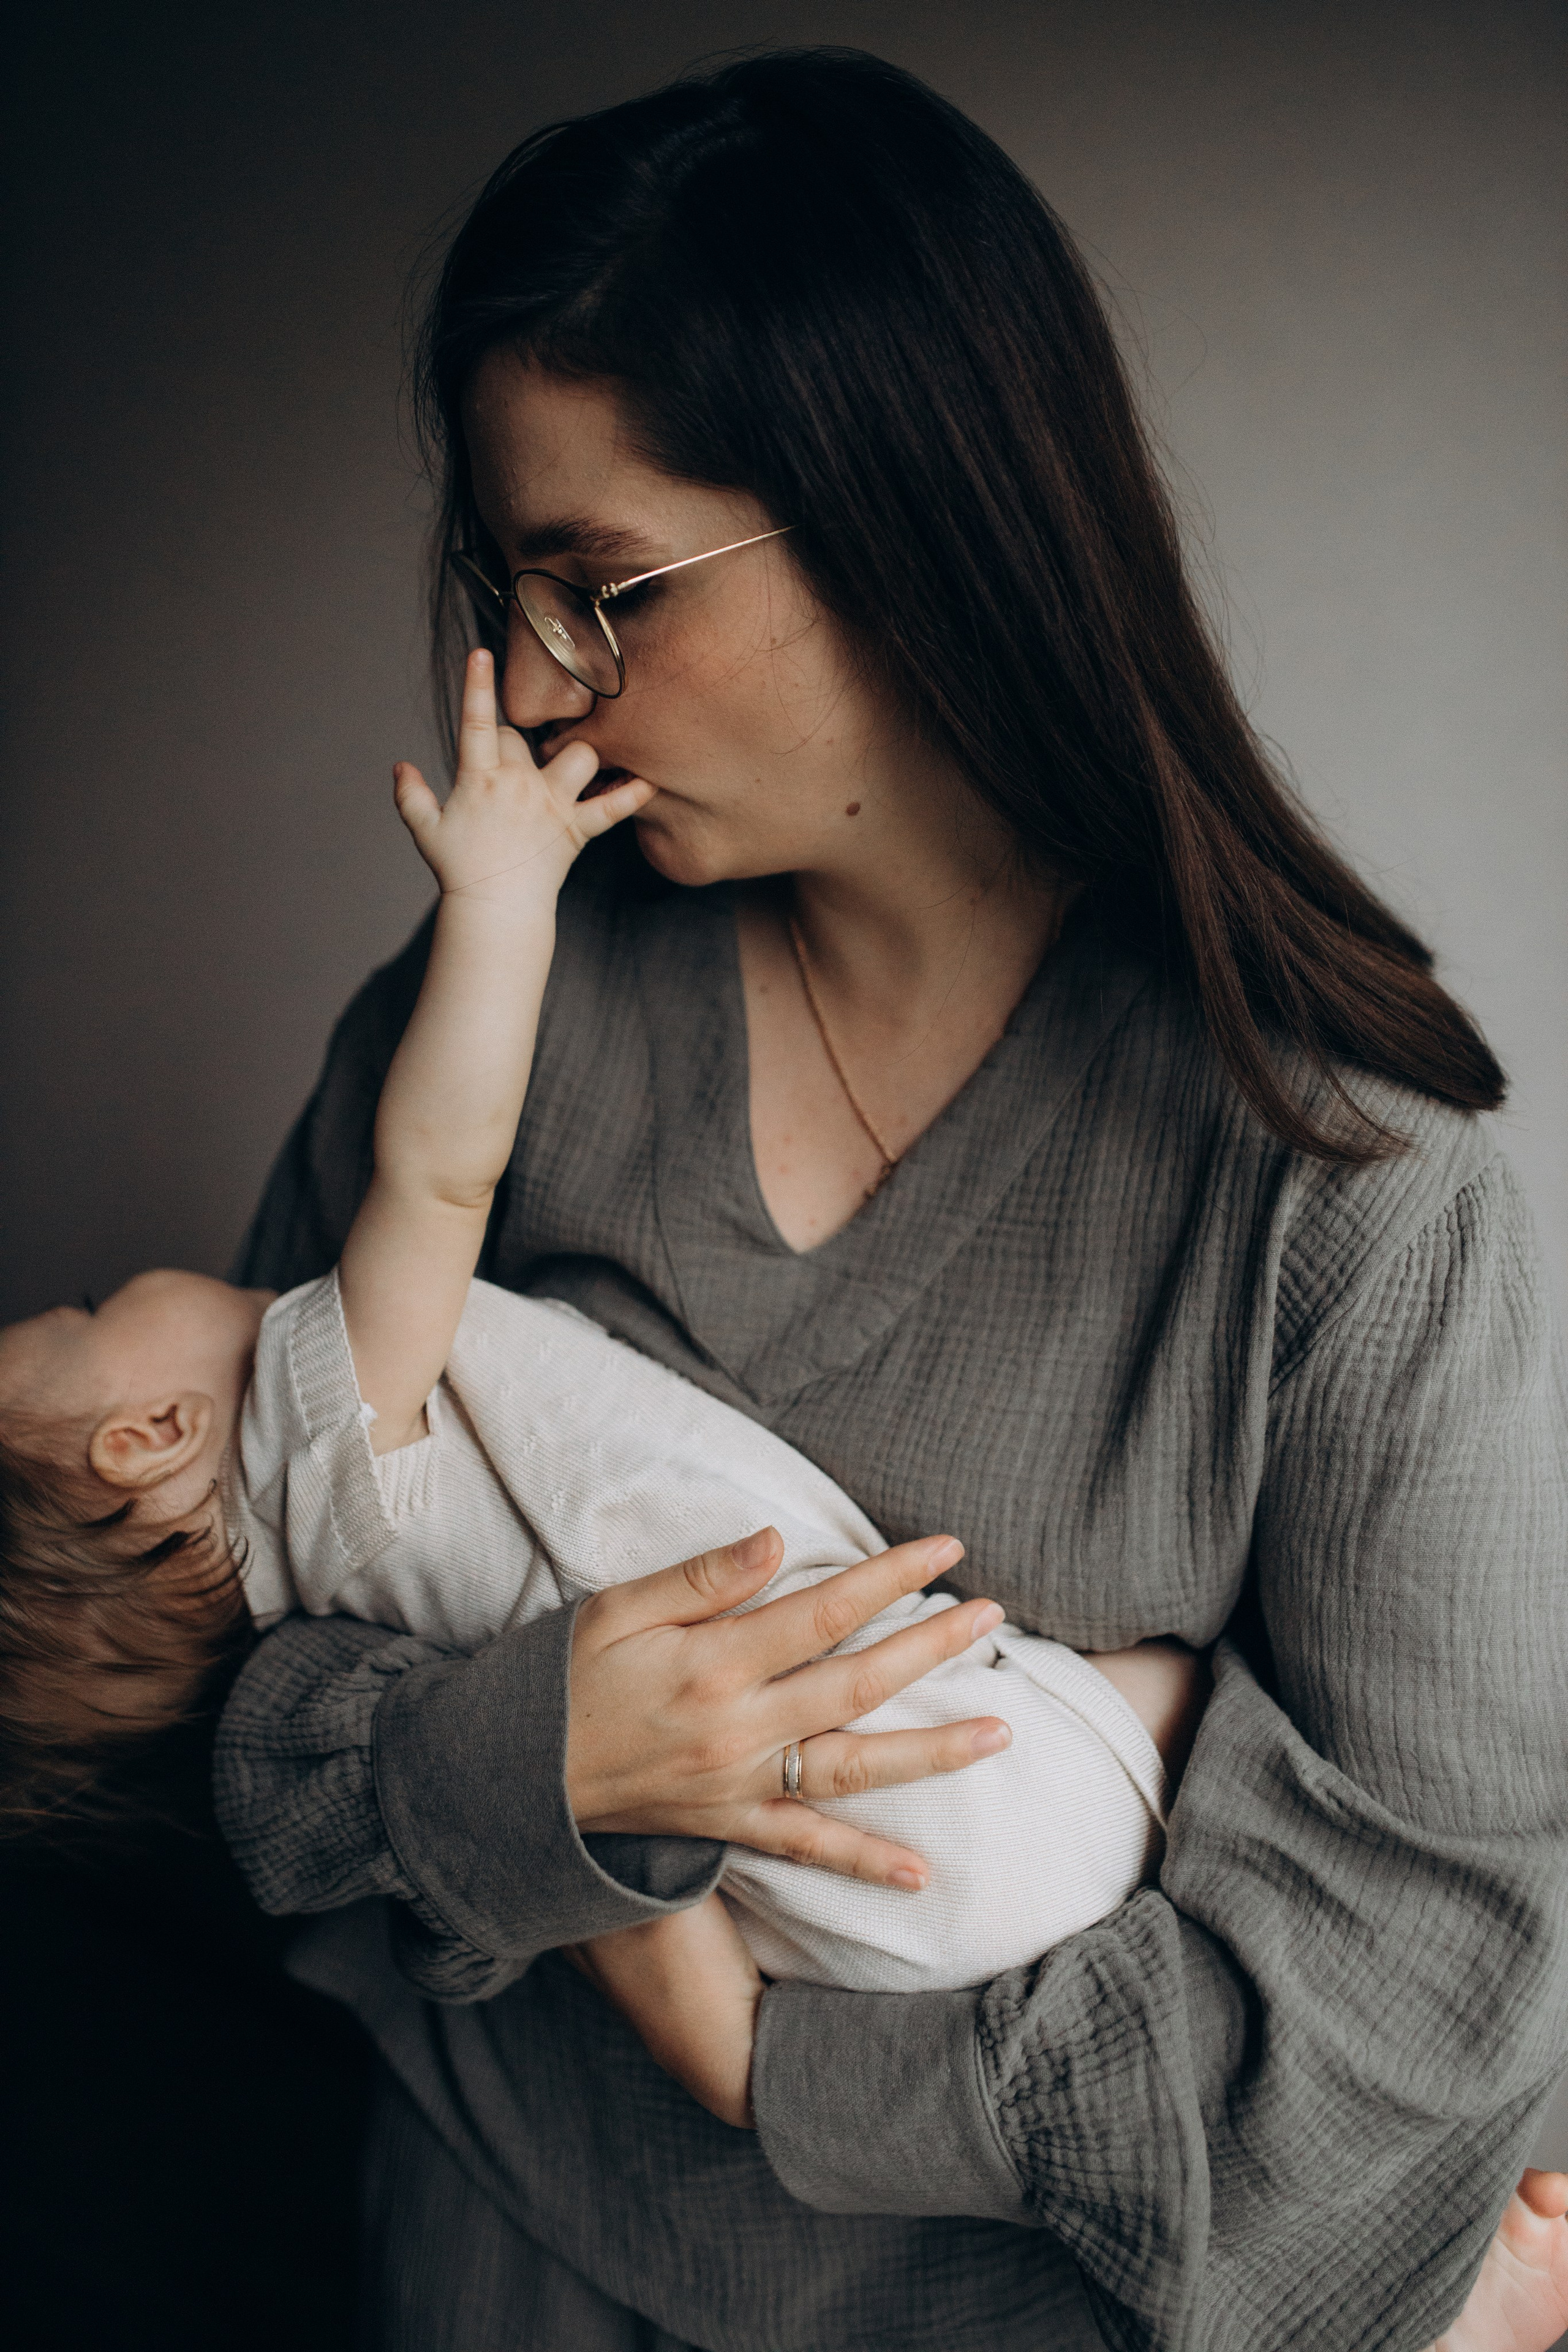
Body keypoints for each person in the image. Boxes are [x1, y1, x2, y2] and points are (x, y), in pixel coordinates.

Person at [189, 45, 1568, 2352]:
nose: (538, 684)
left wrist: (776, 2063)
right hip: (486, 2270)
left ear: (914, 520)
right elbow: (201, 1685)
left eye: (606, 589)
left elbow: (1418, 1978)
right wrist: (527, 1768)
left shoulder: (1349, 1187)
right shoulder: (493, 1026)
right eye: (514, 588)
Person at [0, 653, 1199, 2003]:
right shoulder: (318, 1412)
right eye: (89, 1313)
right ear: (148, 1435)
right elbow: (439, 1169)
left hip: (877, 1915)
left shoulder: (338, 1593)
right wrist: (499, 901)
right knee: (1181, 1698)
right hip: (946, 1766)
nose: (120, 1287)